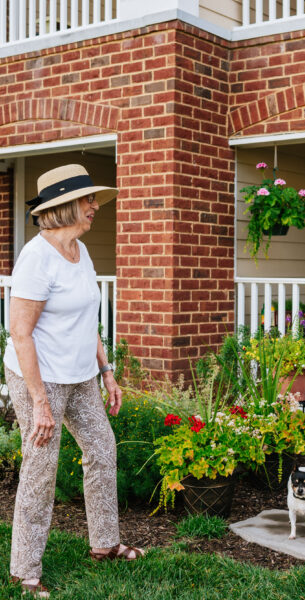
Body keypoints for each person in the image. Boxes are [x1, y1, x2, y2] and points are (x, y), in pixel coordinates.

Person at [4, 165, 144, 599]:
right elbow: (21, 334)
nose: (95, 206)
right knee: (41, 468)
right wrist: (40, 402)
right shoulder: (36, 257)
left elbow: (88, 320)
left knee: (102, 449)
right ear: (64, 207)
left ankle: (104, 543)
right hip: (40, 378)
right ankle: (25, 571)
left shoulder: (80, 252)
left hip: (82, 375)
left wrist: (107, 372)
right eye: (88, 200)